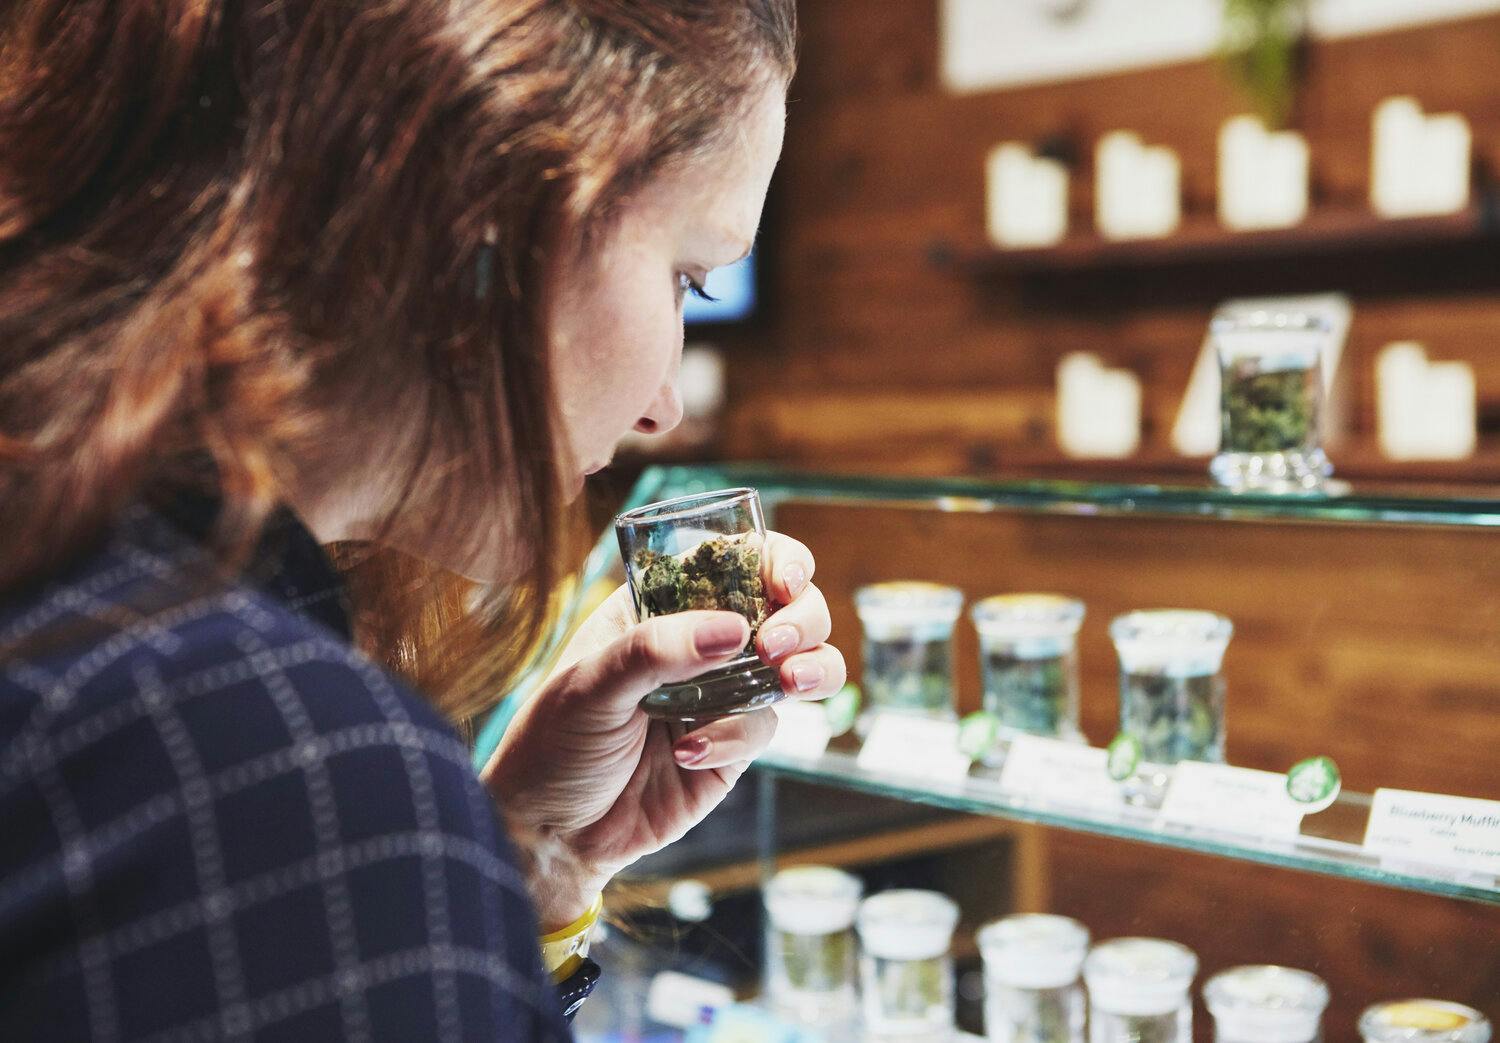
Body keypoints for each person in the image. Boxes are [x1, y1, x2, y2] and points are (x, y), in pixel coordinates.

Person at [0, 0, 844, 1038]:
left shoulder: (74, 571)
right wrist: (409, 844)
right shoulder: (281, 760)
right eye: (689, 276)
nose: (661, 404)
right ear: (486, 188)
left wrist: (525, 859)